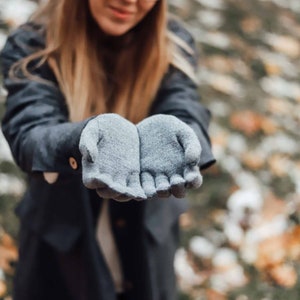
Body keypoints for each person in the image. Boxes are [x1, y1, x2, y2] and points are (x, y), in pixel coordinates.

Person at [0, 0, 215, 299]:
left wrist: (182, 137)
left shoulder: (174, 44)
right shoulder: (33, 44)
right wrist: (82, 139)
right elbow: (31, 130)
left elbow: (187, 108)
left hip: (147, 243)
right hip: (61, 245)